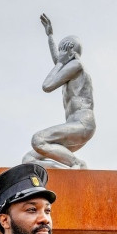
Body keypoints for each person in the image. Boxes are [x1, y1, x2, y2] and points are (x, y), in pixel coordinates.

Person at [23, 14, 95, 169]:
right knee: (28, 159)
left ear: (69, 50)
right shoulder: (70, 67)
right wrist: (50, 37)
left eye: (62, 50)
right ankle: (67, 172)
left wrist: (61, 61)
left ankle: (78, 165)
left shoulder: (76, 65)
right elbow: (58, 63)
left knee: (38, 139)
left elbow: (47, 86)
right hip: (73, 126)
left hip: (82, 124)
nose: (60, 55)